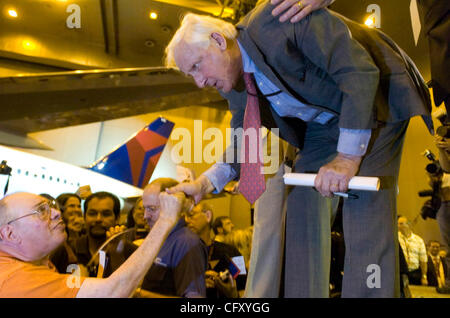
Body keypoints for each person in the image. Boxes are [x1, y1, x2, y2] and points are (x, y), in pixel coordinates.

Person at [165, 0, 432, 297]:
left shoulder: (276, 19)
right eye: (191, 75)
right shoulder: (238, 83)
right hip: (324, 127)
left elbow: (358, 72)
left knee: (365, 212)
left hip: (378, 99)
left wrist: (346, 159)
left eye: (197, 66)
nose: (199, 81)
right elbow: (245, 140)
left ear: (218, 40)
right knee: (301, 209)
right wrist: (203, 185)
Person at [0, 191, 185, 297]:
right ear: (10, 233)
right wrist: (166, 219)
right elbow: (113, 291)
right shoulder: (15, 278)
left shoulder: (33, 265)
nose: (56, 213)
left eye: (52, 206)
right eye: (41, 211)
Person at [140, 178, 208, 298]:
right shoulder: (158, 238)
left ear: (173, 205)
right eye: (144, 209)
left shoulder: (186, 243)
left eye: (152, 209)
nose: (145, 216)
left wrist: (139, 295)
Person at [50, 191, 131, 277]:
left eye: (106, 214)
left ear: (117, 218)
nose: (98, 219)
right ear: (84, 216)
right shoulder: (68, 250)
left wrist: (116, 257)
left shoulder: (130, 252)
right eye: (92, 213)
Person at [184, 201, 245, 298]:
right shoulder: (180, 254)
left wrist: (231, 293)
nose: (186, 220)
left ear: (208, 216)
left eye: (191, 215)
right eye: (184, 217)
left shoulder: (232, 252)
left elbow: (243, 286)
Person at [398, 216, 428, 285]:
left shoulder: (419, 240)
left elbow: (423, 261)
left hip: (415, 273)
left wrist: (424, 276)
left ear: (408, 224)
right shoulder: (395, 238)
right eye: (398, 223)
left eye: (401, 223)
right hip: (400, 273)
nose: (398, 226)